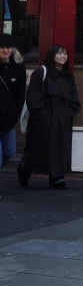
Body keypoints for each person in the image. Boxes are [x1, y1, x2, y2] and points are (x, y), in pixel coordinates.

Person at [18, 44, 80, 190]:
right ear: (51, 56)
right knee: (36, 148)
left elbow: (74, 100)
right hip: (42, 121)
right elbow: (33, 98)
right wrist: (41, 115)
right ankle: (25, 170)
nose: (62, 56)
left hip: (62, 121)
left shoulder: (68, 77)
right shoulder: (41, 73)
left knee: (59, 149)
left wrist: (67, 115)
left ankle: (57, 178)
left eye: (65, 54)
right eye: (59, 54)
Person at [0, 34, 26, 191]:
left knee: (9, 152)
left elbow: (20, 94)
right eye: (2, 47)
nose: (6, 50)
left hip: (8, 118)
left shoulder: (19, 68)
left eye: (8, 47)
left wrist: (15, 113)